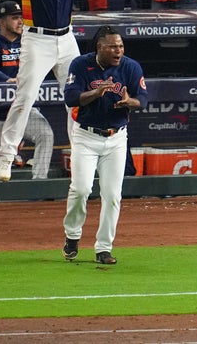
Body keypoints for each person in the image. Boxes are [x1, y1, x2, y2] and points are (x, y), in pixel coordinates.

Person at [0, 0, 165, 182]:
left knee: (77, 97)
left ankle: (80, 154)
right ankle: (6, 156)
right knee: (25, 96)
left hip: (66, 37)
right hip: (37, 39)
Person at [61, 26, 147, 265]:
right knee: (81, 189)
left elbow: (143, 100)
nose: (118, 51)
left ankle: (103, 248)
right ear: (99, 47)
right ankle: (73, 235)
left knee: (111, 195)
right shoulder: (80, 65)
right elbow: (70, 97)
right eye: (112, 46)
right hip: (86, 136)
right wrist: (95, 93)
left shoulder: (130, 67)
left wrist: (130, 102)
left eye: (120, 46)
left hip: (116, 138)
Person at [0, 0, 54, 181]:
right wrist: (6, 80)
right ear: (2, 22)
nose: (20, 22)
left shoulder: (29, 43)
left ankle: (39, 181)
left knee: (46, 134)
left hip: (23, 110)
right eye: (15, 18)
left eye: (22, 18)